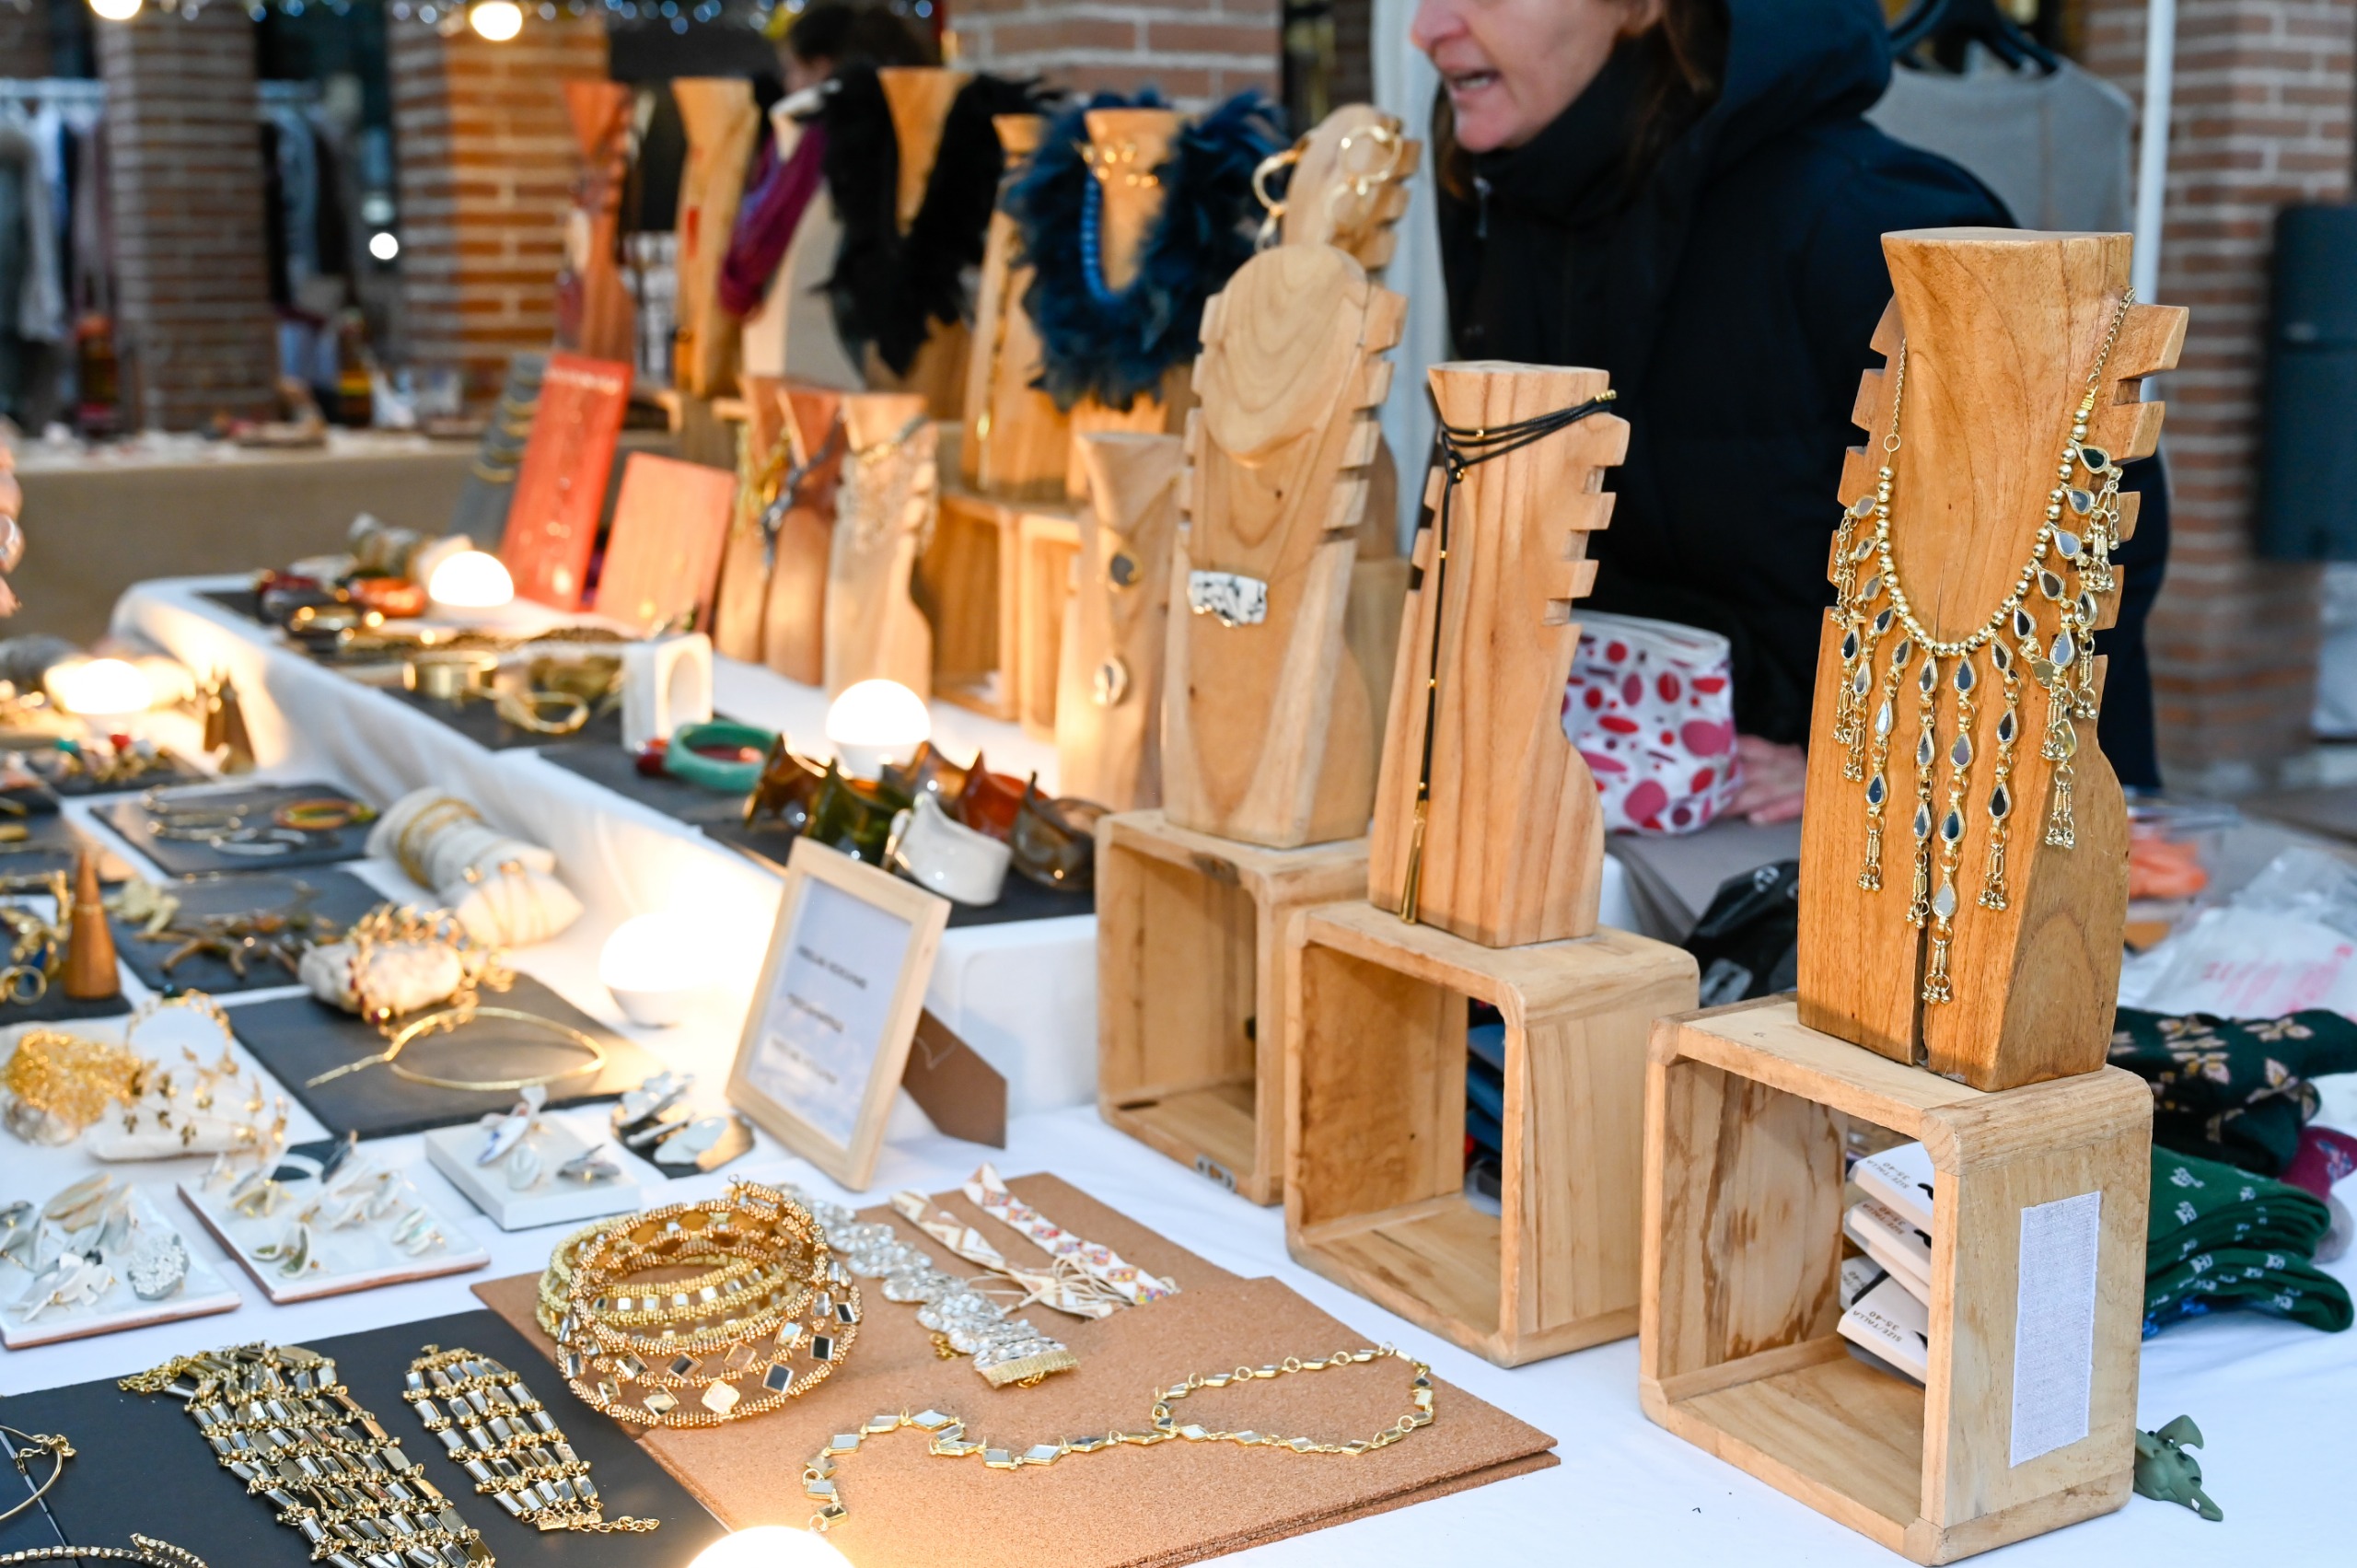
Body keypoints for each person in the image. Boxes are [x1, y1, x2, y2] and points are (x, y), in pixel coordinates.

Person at [1413, 0, 2169, 818]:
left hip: (1931, 841)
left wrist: (1887, 755)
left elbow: (2090, 521)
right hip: (1655, 809)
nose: (1427, 28)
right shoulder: (1516, 202)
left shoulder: (1858, 211)